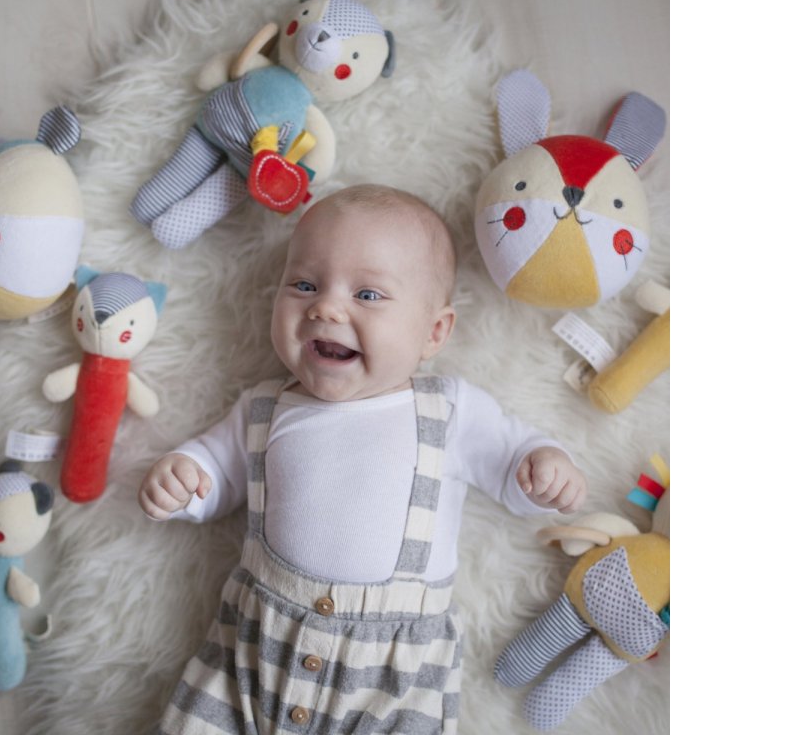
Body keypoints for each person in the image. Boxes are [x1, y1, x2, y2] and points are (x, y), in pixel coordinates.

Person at [139, 184, 587, 734]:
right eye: (304, 285)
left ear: (433, 332)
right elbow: (217, 473)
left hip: (391, 677)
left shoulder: (449, 411)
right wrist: (186, 479)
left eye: (369, 295)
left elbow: (510, 462)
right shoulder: (264, 408)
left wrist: (542, 466)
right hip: (255, 650)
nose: (325, 307)